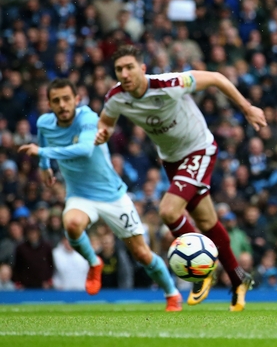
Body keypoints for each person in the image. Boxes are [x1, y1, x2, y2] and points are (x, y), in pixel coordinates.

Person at [95, 45, 266, 311]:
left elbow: (217, 78)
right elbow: (106, 121)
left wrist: (246, 108)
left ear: (142, 69)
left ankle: (202, 270)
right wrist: (103, 132)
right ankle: (238, 277)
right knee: (207, 221)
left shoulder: (170, 83)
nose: (125, 73)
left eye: (130, 67)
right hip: (173, 160)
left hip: (199, 149)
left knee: (168, 211)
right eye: (119, 69)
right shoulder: (116, 97)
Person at [18, 78, 181, 310]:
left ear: (76, 99)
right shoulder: (45, 123)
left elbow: (84, 150)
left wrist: (42, 153)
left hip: (112, 196)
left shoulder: (88, 118)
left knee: (142, 254)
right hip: (80, 195)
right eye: (56, 101)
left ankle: (172, 294)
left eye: (66, 99)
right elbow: (44, 138)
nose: (62, 105)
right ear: (49, 104)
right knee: (72, 224)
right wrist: (44, 166)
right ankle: (95, 262)